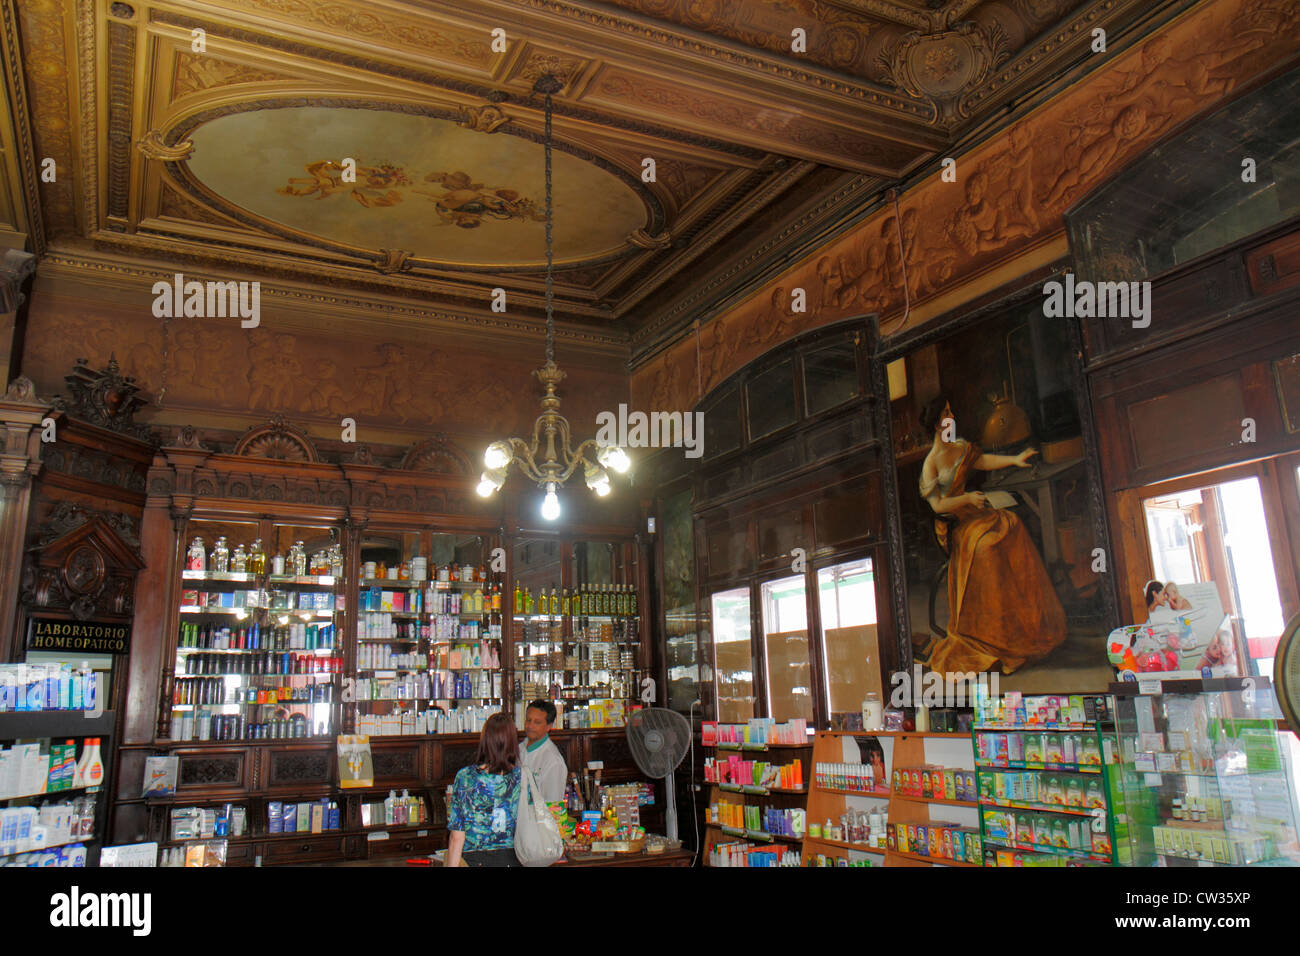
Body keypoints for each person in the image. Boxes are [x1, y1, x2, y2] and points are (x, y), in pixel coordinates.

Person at [919, 396, 1067, 674]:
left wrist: (1015, 459)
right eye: (947, 412)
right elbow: (938, 505)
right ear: (938, 423)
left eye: (951, 410)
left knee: (1011, 525)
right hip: (953, 525)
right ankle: (991, 634)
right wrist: (966, 501)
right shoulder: (931, 464)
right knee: (987, 548)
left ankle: (1022, 625)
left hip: (975, 512)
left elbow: (983, 460)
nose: (952, 415)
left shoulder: (959, 447)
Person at [445, 712, 521, 867]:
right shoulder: (523, 777)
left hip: (473, 859)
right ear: (513, 742)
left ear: (485, 740)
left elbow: (457, 837)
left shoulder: (465, 777)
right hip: (512, 858)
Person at [520, 699, 567, 804]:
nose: (530, 726)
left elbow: (553, 806)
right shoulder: (518, 750)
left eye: (537, 722)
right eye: (528, 720)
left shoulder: (553, 761)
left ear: (549, 726)